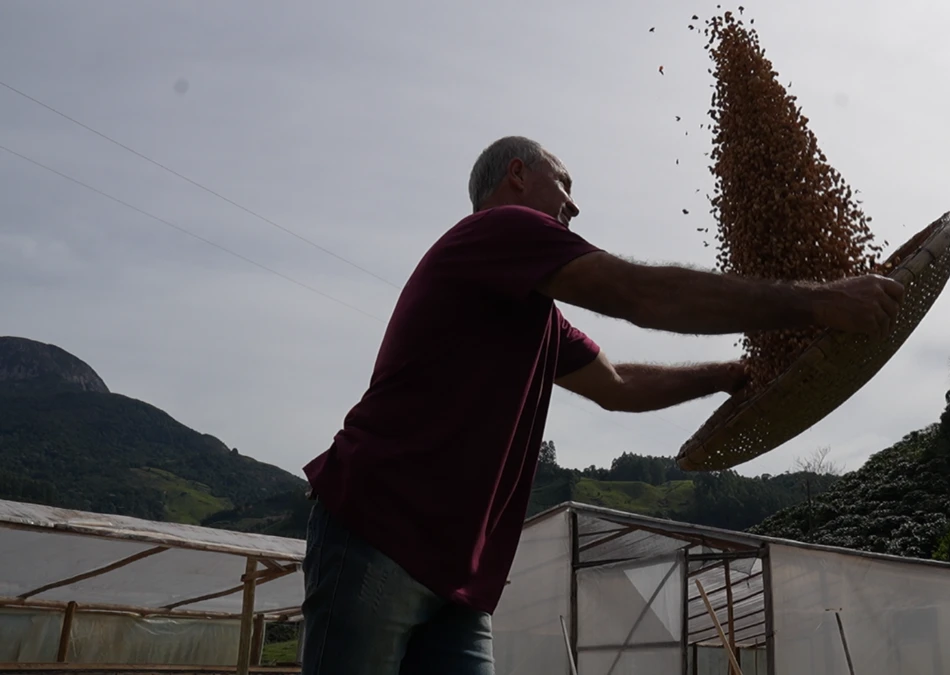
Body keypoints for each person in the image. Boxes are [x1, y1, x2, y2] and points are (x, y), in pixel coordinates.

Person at [299, 136, 904, 674]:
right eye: (564, 184)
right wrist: (817, 302)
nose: (574, 204)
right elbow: (636, 293)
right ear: (516, 175)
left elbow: (616, 384)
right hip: (378, 531)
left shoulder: (526, 307)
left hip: (455, 576)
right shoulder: (499, 230)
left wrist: (726, 375)